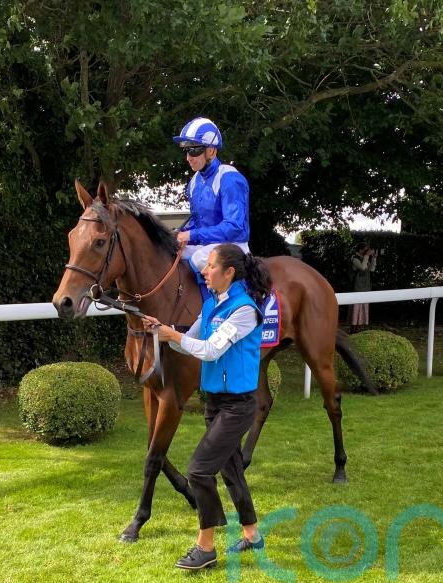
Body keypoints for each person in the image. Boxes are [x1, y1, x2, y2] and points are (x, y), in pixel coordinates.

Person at [142, 243, 271, 571]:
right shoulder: (212, 304)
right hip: (214, 403)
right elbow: (189, 344)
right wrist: (162, 331)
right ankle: (252, 534)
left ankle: (206, 547)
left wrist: (174, 336)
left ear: (229, 272)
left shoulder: (244, 311)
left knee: (199, 470)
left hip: (238, 407)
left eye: (211, 266)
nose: (204, 271)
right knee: (231, 470)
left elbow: (211, 350)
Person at [172, 117, 251, 283]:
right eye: (186, 151)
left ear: (211, 151)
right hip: (208, 246)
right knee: (169, 252)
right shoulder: (194, 182)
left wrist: (190, 235)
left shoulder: (230, 178)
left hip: (234, 246)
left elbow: (234, 227)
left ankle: (222, 298)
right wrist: (180, 235)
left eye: (194, 150)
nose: (188, 158)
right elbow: (197, 222)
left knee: (199, 259)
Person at [348, 242, 377, 334]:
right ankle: (353, 328)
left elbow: (372, 269)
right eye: (366, 249)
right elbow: (363, 268)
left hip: (365, 286)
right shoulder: (354, 258)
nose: (367, 251)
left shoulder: (365, 258)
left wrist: (374, 258)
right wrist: (367, 256)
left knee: (364, 306)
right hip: (357, 287)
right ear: (360, 250)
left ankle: (360, 327)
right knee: (356, 307)